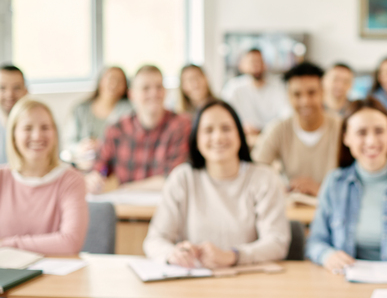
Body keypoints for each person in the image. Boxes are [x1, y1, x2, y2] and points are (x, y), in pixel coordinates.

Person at [306, 98, 387, 283]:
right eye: (361, 132)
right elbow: (315, 241)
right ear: (346, 138)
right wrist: (326, 255)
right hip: (344, 284)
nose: (371, 141)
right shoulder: (334, 182)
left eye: (379, 131)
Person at [143, 100, 290, 267]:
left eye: (226, 129)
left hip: (247, 280)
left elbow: (277, 243)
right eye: (208, 130)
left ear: (240, 135)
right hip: (193, 280)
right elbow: (154, 240)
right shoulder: (183, 178)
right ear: (196, 139)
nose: (218, 137)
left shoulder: (263, 179)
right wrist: (173, 254)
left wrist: (233, 256)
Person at [0, 98, 88, 255]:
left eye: (45, 127)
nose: (37, 136)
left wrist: (8, 244)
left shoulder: (71, 180)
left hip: (54, 275)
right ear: (13, 135)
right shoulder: (2, 177)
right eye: (27, 128)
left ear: (55, 133)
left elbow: (70, 242)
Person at [86, 65, 191, 194]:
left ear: (165, 92)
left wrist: (125, 188)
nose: (154, 93)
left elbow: (173, 179)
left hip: (165, 207)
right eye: (146, 88)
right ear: (132, 94)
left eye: (159, 87)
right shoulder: (117, 129)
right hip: (125, 210)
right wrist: (94, 178)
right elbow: (98, 168)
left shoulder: (181, 125)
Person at [252, 62, 341, 197]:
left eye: (312, 93)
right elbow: (255, 170)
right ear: (288, 96)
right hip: (292, 211)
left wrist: (320, 190)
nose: (305, 101)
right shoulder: (278, 129)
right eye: (297, 94)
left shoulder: (341, 128)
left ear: (323, 93)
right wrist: (281, 187)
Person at [63, 66, 133, 170]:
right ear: (100, 81)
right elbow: (68, 143)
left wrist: (102, 145)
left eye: (120, 81)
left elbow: (131, 143)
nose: (114, 84)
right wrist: (81, 147)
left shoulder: (129, 111)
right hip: (82, 165)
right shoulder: (80, 109)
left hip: (113, 167)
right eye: (110, 79)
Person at [221, 48, 291, 141]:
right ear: (242, 65)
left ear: (265, 64)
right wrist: (242, 127)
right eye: (252, 62)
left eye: (259, 61)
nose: (256, 66)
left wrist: (266, 130)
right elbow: (224, 113)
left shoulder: (279, 87)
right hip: (242, 137)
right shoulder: (233, 88)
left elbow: (287, 113)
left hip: (275, 137)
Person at [0, 65, 28, 165]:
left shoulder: (40, 129)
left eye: (16, 88)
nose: (9, 95)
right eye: (2, 88)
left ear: (26, 91)